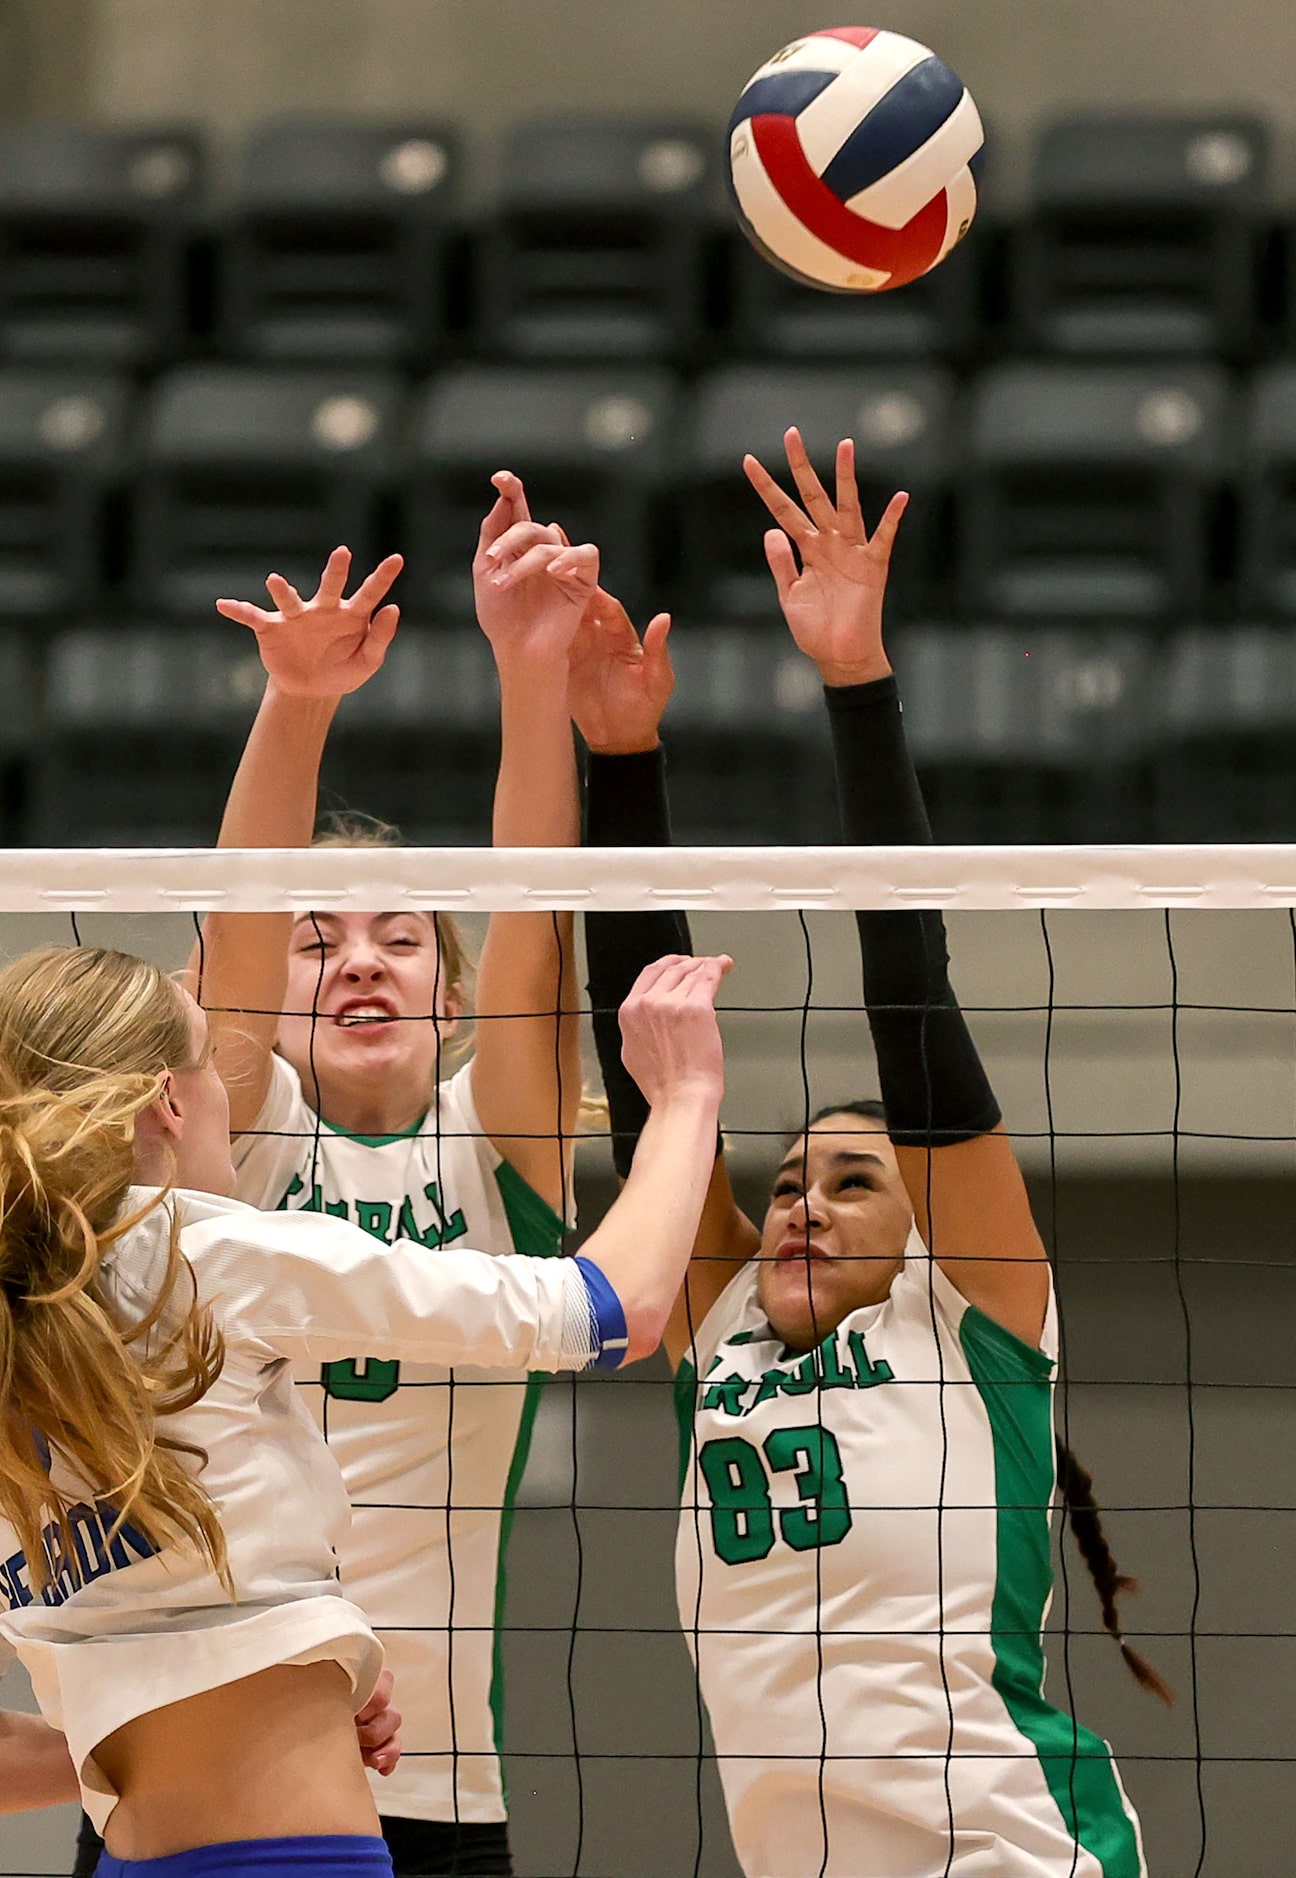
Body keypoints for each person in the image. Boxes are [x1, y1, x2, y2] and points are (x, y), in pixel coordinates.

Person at [0, 937, 729, 1878]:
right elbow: (610, 1310)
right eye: (214, 1069)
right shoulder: (216, 1253)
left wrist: (224, 1699)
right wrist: (684, 1097)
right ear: (168, 1103)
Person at [574, 429, 1166, 1878]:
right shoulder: (718, 1335)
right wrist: (621, 756)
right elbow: (648, 1066)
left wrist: (855, 679)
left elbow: (916, 1009)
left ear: (923, 1221)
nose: (798, 1203)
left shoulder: (973, 1323)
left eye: (851, 1180)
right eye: (786, 1180)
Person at [139, 477, 597, 1878]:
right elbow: (237, 912)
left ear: (452, 996)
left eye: (401, 937)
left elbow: (534, 908)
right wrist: (297, 702)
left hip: (440, 1780)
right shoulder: (248, 1128)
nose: (358, 960)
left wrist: (534, 670)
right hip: (206, 1756)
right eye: (319, 940)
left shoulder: (495, 1140)